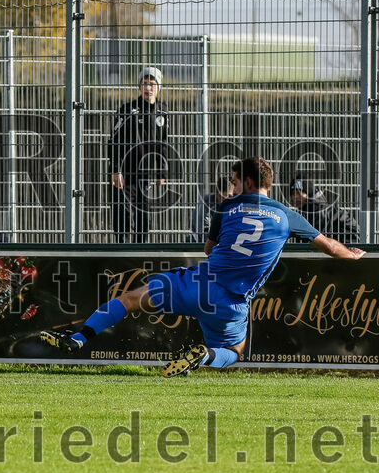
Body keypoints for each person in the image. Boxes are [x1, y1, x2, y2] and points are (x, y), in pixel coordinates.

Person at [38, 157, 365, 377]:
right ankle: (205, 356)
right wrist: (354, 255)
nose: (232, 187)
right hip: (231, 303)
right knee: (234, 351)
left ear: (249, 182)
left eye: (236, 181)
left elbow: (209, 249)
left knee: (130, 299)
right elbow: (332, 247)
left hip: (197, 283)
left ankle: (81, 337)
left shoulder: (227, 207)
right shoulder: (287, 215)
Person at [107, 67, 170, 243]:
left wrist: (162, 172)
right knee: (123, 216)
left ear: (158, 87)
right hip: (125, 174)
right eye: (144, 84)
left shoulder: (162, 111)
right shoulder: (128, 110)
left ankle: (141, 253)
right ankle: (122, 252)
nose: (148, 88)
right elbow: (114, 142)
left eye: (152, 84)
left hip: (146, 174)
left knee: (144, 217)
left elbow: (163, 144)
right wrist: (116, 170)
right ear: (139, 87)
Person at [289, 177, 360, 245]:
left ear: (309, 194)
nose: (295, 197)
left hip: (349, 246)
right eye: (293, 193)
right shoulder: (312, 210)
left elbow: (318, 240)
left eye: (299, 193)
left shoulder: (317, 211)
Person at [188, 176, 234, 243]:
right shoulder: (206, 203)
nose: (225, 200)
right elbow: (203, 230)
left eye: (229, 196)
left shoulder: (237, 202)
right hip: (199, 239)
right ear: (216, 194)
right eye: (222, 196)